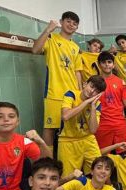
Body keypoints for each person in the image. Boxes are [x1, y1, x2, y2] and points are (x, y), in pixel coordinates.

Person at [32, 11, 83, 151]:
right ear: (61, 22)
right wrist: (48, 29)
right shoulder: (51, 38)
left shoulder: (76, 47)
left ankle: (66, 158)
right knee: (49, 128)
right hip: (53, 93)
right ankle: (47, 161)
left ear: (77, 28)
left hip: (71, 94)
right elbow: (35, 50)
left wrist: (79, 93)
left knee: (70, 128)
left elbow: (77, 71)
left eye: (74, 23)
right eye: (68, 21)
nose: (71, 25)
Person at [94, 51, 126, 152]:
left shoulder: (120, 82)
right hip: (101, 124)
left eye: (109, 62)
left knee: (125, 152)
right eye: (104, 62)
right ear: (99, 65)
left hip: (119, 123)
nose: (106, 65)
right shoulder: (94, 82)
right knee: (101, 153)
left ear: (113, 65)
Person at [58, 75, 107, 178]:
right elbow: (65, 116)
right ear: (85, 84)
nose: (92, 91)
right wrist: (85, 102)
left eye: (96, 91)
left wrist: (92, 107)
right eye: (91, 86)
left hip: (87, 139)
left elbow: (93, 130)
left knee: (101, 170)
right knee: (68, 178)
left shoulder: (97, 104)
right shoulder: (71, 94)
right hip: (68, 140)